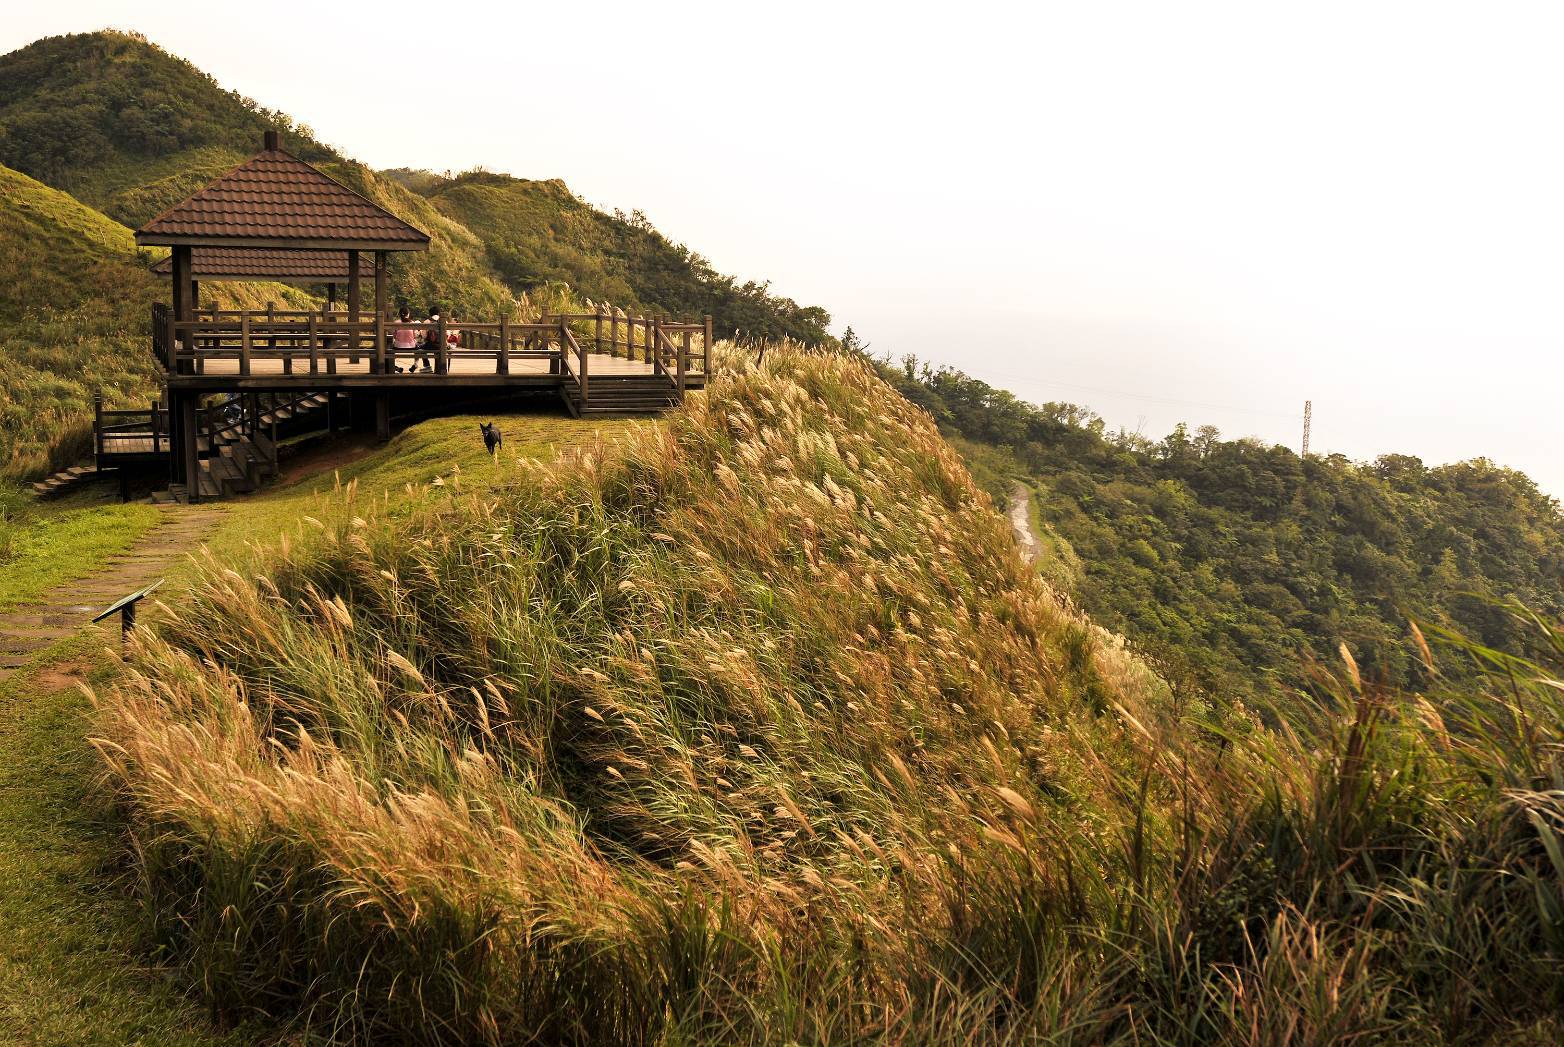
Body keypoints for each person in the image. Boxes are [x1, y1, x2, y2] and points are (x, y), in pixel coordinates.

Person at [391, 307, 425, 373]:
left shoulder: (396, 322)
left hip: (398, 346)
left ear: (399, 314)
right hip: (411, 346)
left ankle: (394, 366)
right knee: (418, 350)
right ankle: (415, 365)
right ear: (408, 314)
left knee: (389, 351)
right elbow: (415, 336)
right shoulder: (412, 323)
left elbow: (394, 336)